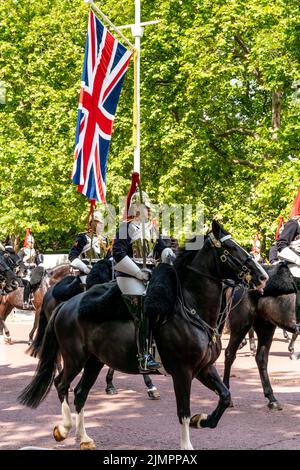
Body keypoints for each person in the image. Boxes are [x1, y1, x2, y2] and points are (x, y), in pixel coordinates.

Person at [112, 190, 176, 373]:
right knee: (143, 309)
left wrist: (170, 256)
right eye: (145, 207)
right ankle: (144, 357)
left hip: (149, 274)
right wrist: (138, 273)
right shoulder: (126, 227)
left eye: (148, 208)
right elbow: (118, 253)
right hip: (129, 275)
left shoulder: (152, 229)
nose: (148, 211)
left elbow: (161, 249)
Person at [68, 210, 109, 279]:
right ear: (93, 224)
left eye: (102, 224)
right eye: (100, 223)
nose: (102, 226)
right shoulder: (83, 237)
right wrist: (85, 268)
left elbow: (108, 257)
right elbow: (72, 256)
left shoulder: (104, 239)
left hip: (102, 272)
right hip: (87, 272)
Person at [277, 214, 300, 330]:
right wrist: (298, 260)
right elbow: (281, 245)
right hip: (294, 263)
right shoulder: (294, 223)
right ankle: (299, 321)